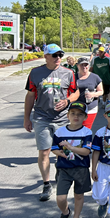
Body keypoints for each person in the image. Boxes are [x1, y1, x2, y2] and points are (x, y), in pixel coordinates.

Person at [24, 44, 80, 202]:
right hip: (42, 117)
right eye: (54, 55)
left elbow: (76, 91)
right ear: (46, 56)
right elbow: (30, 96)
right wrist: (26, 118)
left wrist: (68, 100)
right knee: (44, 152)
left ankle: (62, 174)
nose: (58, 58)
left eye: (60, 55)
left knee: (64, 150)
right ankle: (46, 184)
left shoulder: (68, 73)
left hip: (62, 118)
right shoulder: (35, 73)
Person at [51, 102, 94, 218]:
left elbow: (86, 151)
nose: (76, 117)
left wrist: (70, 148)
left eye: (80, 114)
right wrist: (61, 154)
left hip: (80, 168)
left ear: (85, 117)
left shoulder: (86, 132)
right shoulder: (60, 132)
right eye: (73, 113)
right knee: (61, 198)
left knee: (79, 195)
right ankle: (66, 212)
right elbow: (54, 149)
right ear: (68, 115)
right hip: (64, 168)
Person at [75, 57, 104, 130]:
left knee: (86, 128)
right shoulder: (73, 77)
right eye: (82, 65)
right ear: (77, 65)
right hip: (76, 107)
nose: (84, 67)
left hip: (90, 107)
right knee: (75, 128)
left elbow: (101, 91)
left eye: (86, 65)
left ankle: (86, 141)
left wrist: (93, 94)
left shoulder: (95, 77)